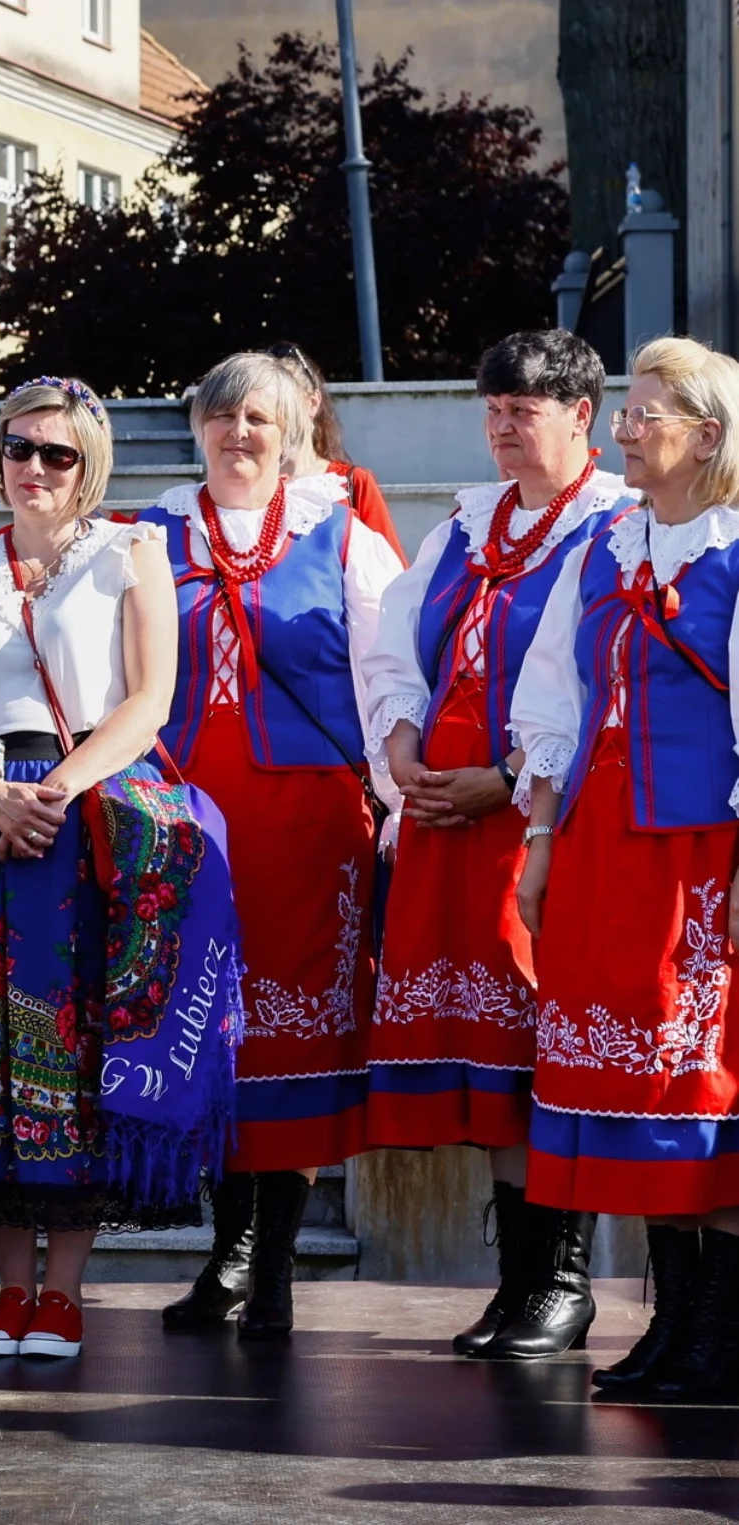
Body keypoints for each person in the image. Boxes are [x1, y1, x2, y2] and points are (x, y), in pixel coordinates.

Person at [0, 377, 241, 1363]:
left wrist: (54, 793)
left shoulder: (132, 551)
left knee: (75, 1033)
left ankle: (65, 1292)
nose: (35, 468)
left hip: (88, 807)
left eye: (57, 453)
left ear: (90, 465)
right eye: (20, 448)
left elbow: (151, 699)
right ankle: (9, 1289)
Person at [360, 330, 627, 1359]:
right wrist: (401, 750)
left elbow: (589, 685)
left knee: (542, 1048)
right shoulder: (465, 530)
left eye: (526, 408)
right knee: (486, 1066)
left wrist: (509, 782)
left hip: (542, 823)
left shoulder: (611, 526)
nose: (505, 425)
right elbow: (393, 651)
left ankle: (564, 1280)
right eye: (494, 408)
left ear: (579, 417)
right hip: (447, 822)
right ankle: (520, 1283)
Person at [139, 352, 402, 1339]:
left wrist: (397, 806)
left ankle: (274, 1261)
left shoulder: (341, 535)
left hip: (309, 824)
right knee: (212, 1037)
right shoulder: (150, 534)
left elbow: (387, 678)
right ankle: (229, 1250)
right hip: (187, 822)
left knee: (293, 1037)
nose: (238, 432)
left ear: (289, 430)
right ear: (196, 427)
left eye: (258, 417)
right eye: (221, 415)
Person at [510, 335, 739, 1396]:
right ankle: (674, 1320)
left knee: (698, 1078)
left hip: (701, 849)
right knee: (625, 1081)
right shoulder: (602, 547)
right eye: (629, 408)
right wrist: (543, 839)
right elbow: (553, 697)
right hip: (604, 844)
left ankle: (718, 1328)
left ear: (710, 434)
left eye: (649, 411)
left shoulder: (737, 549)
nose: (625, 426)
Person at [268, 342, 406, 558]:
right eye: (267, 404)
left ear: (313, 403)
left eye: (288, 401)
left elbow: (390, 574)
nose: (278, 413)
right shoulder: (252, 486)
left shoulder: (354, 483)